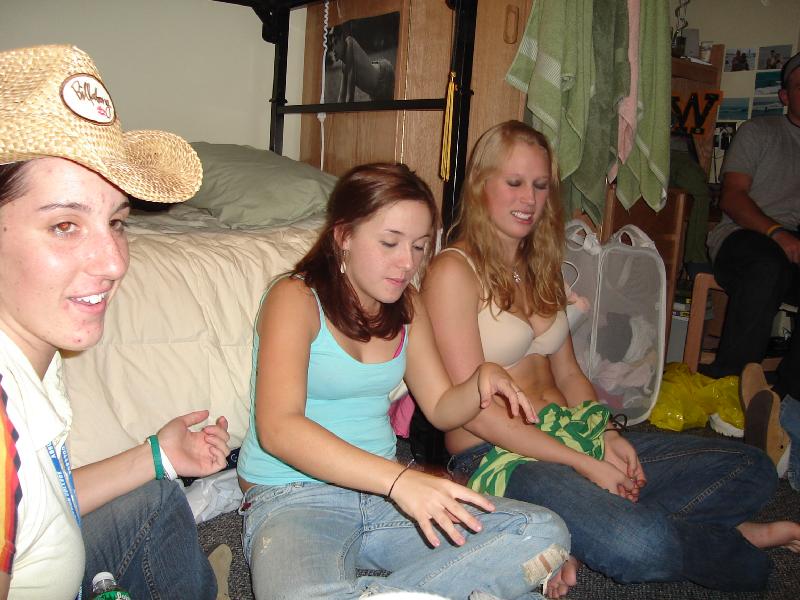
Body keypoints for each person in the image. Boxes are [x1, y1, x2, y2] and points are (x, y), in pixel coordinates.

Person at [421, 120, 800, 596]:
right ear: (480, 185)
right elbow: (478, 414)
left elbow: (569, 373)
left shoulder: (540, 265)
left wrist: (605, 433)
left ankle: (582, 528)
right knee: (639, 546)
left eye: (540, 185)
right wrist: (585, 464)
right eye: (514, 182)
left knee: (752, 470)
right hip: (500, 455)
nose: (529, 199)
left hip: (572, 431)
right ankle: (732, 541)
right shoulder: (453, 271)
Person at [236, 162, 570, 600]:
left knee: (542, 531)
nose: (407, 263)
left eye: (418, 246)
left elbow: (441, 407)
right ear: (344, 236)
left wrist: (480, 381)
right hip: (293, 495)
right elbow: (279, 429)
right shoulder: (294, 298)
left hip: (387, 497)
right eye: (390, 243)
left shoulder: (407, 304)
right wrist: (398, 481)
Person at [0, 44, 231, 599]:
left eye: (117, 223)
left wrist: (159, 455)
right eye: (64, 225)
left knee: (157, 494)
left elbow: (35, 501)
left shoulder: (30, 347)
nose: (114, 263)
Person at [705, 52, 800, 471]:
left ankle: (788, 405)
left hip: (793, 243)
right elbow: (732, 197)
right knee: (767, 265)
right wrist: (778, 234)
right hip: (743, 237)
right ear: (784, 95)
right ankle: (730, 389)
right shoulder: (760, 131)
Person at [330, 25, 395, 102]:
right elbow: (342, 96)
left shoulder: (349, 42)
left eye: (336, 42)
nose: (334, 49)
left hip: (384, 77)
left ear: (342, 38)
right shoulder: (344, 67)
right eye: (332, 46)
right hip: (375, 92)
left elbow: (350, 96)